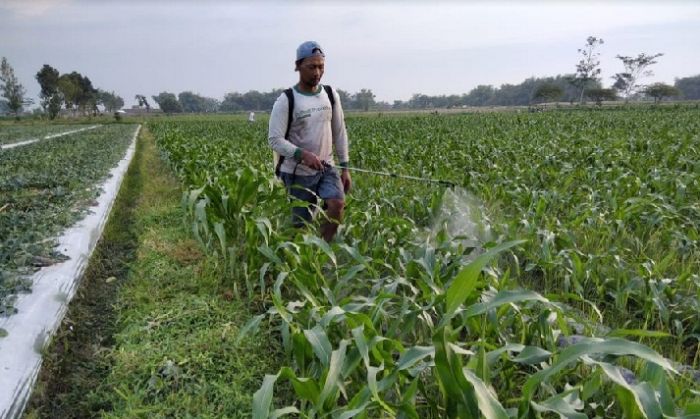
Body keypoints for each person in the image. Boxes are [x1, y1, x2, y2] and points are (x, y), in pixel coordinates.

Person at [268, 41, 351, 241]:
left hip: (326, 167)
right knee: (300, 228)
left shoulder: (330, 95)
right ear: (298, 66)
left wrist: (345, 167)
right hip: (297, 173)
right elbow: (275, 140)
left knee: (337, 205)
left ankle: (324, 250)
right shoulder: (287, 100)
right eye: (311, 67)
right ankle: (299, 258)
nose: (317, 72)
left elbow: (339, 131)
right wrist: (302, 154)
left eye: (321, 66)